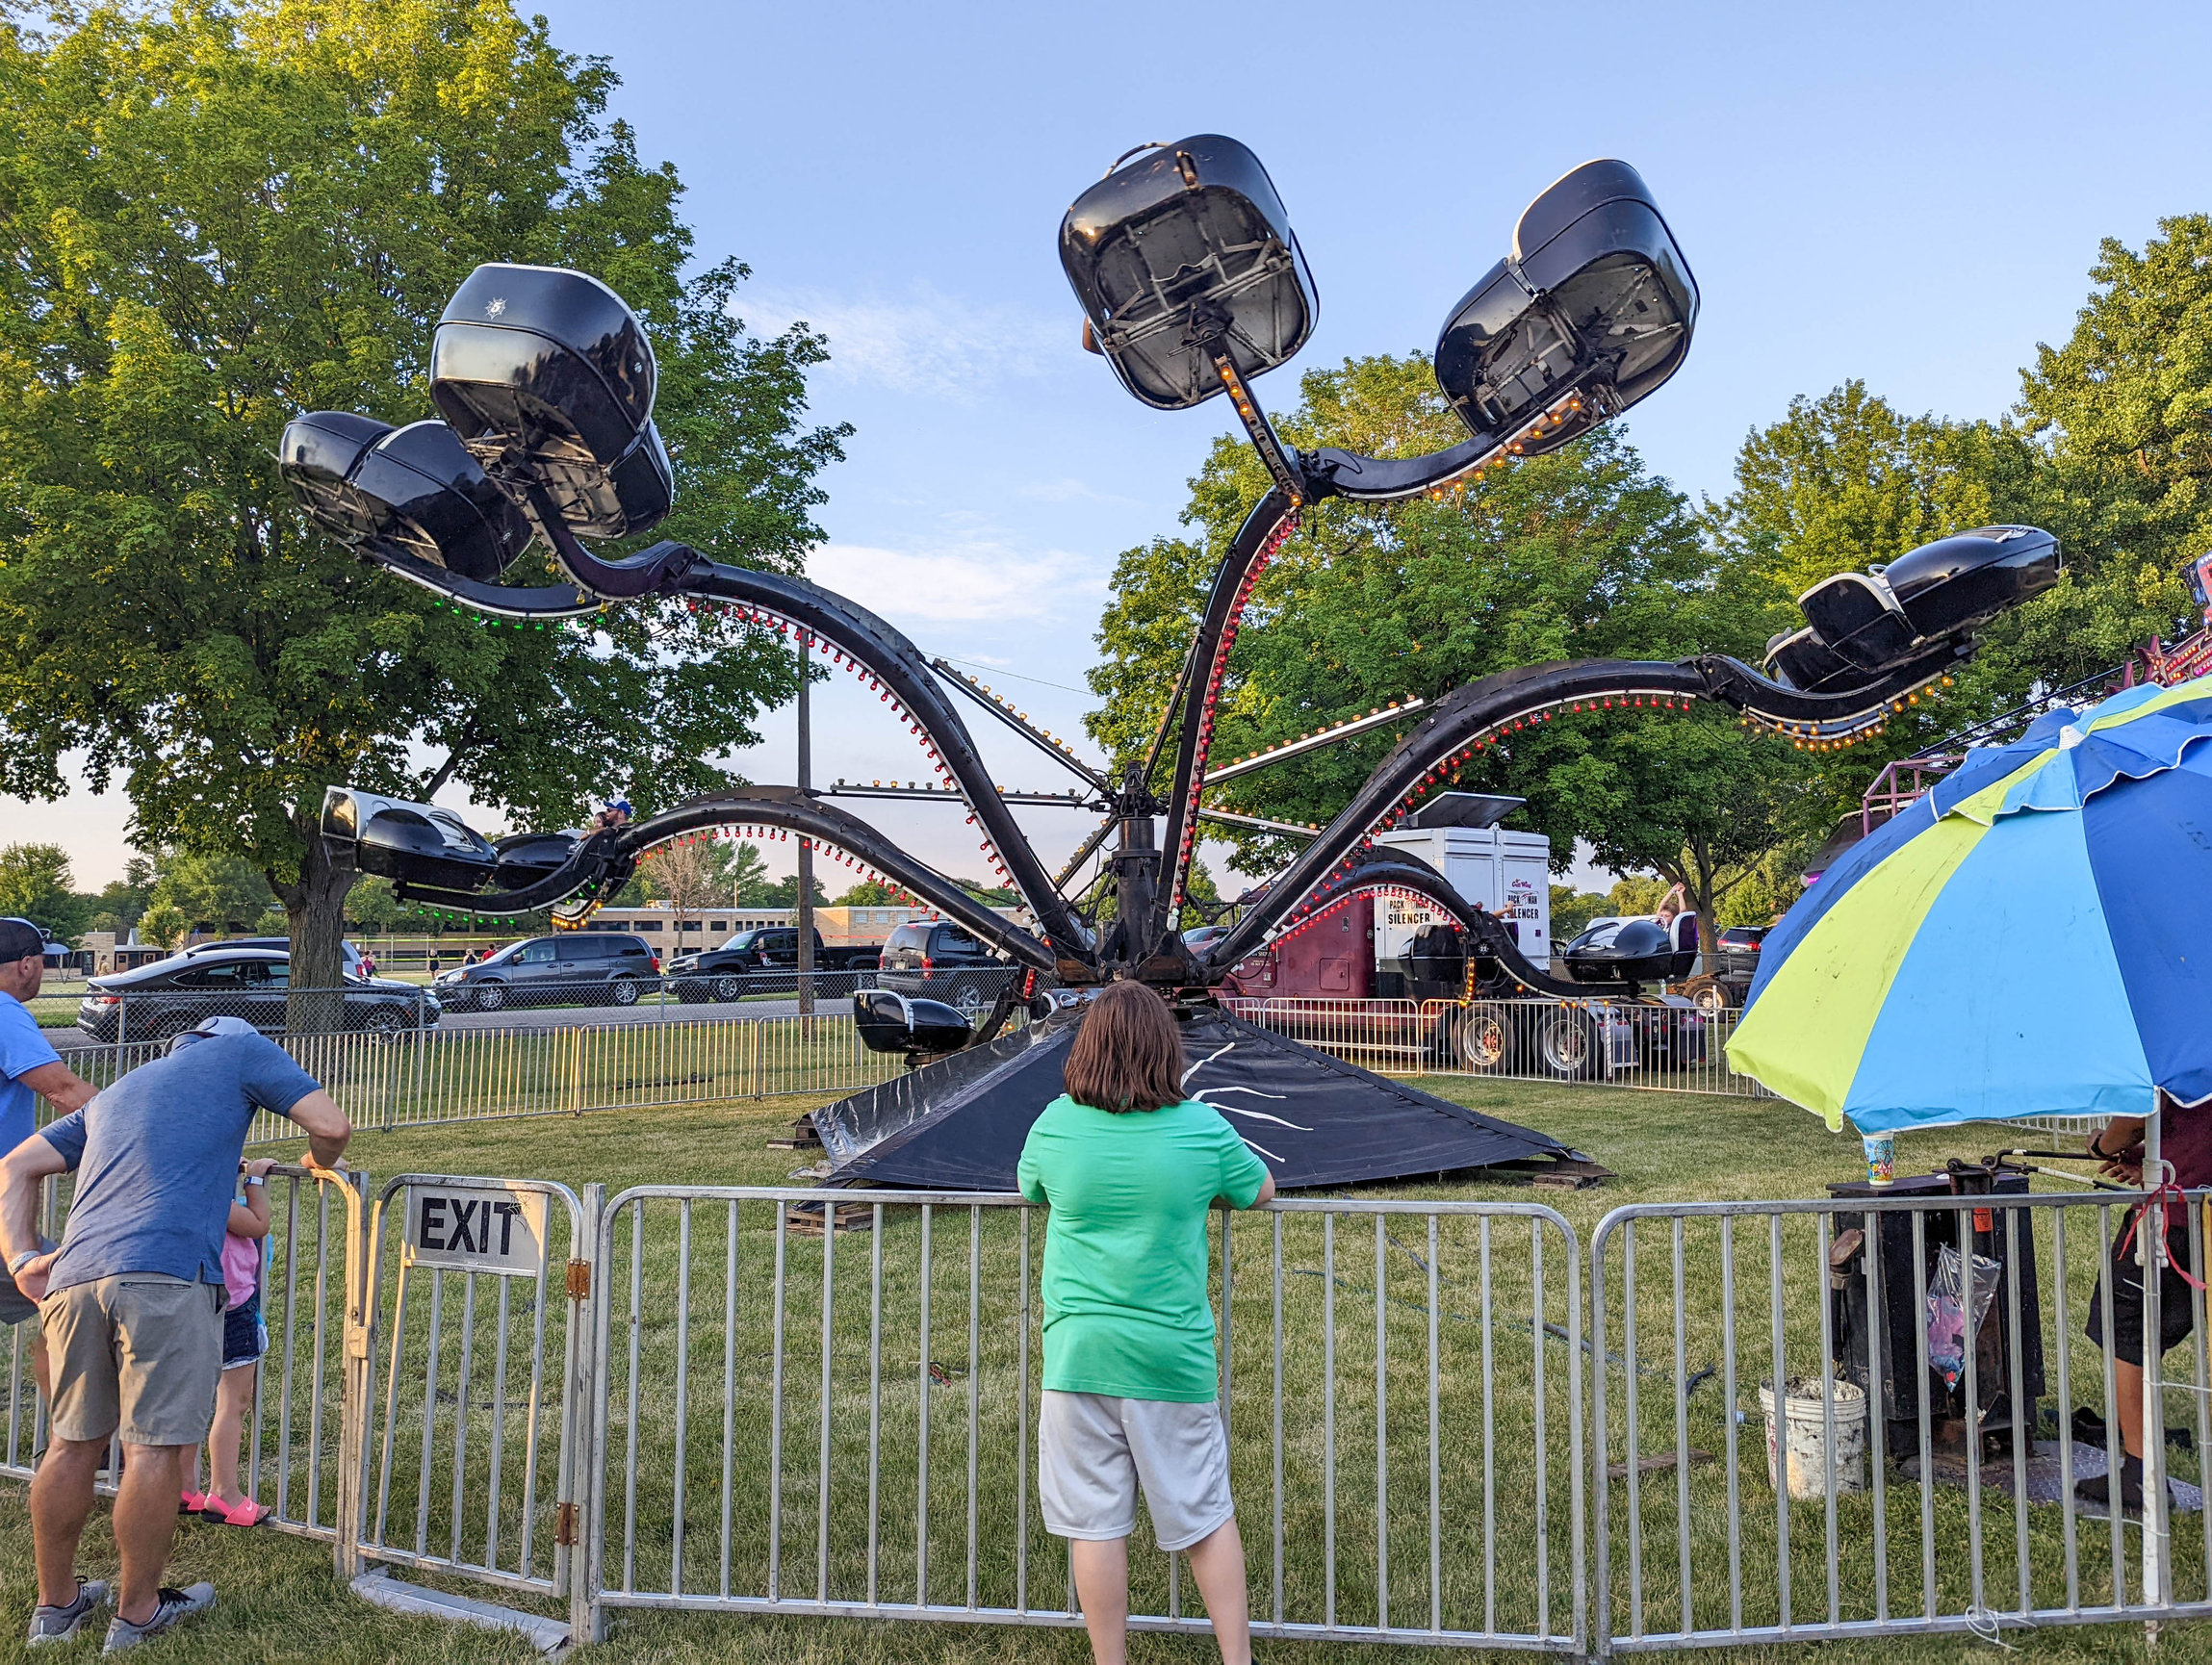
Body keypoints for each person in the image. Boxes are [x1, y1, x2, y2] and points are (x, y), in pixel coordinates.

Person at [0, 1014, 351, 1650]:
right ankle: (137, 1614)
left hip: (74, 1278)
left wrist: (22, 1257)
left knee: (71, 1444)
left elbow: (17, 1165)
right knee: (155, 1449)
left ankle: (54, 1609)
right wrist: (317, 1162)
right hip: (167, 1276)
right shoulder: (244, 1048)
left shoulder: (125, 1087)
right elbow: (331, 1125)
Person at [1016, 981, 1275, 1665]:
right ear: (1168, 1051)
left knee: (1095, 1524)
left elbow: (1030, 1186)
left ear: (1088, 1048)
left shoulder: (1055, 1124)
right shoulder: (1202, 1129)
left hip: (1078, 1354)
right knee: (1204, 1517)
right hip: (1171, 1355)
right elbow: (1261, 1189)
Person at [2075, 1090, 2212, 1517]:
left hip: (2173, 1216)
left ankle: (2140, 1472)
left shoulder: (2168, 1037)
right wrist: (2154, 1155)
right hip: (2195, 1200)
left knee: (2125, 1326)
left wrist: (2103, 1144)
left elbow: (2135, 1116)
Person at [0, 918, 96, 1408]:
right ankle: (81, 1437)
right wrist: (143, 1129)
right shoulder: (3, 1009)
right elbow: (63, 1090)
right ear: (28, 965)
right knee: (75, 1294)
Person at [184, 1157, 276, 1527]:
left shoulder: (176, 1190)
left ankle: (184, 1485)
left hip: (191, 1304)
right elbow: (258, 1223)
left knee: (190, 1399)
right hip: (231, 1307)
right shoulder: (211, 1199)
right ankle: (225, 1493)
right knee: (232, 1403)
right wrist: (254, 1179)